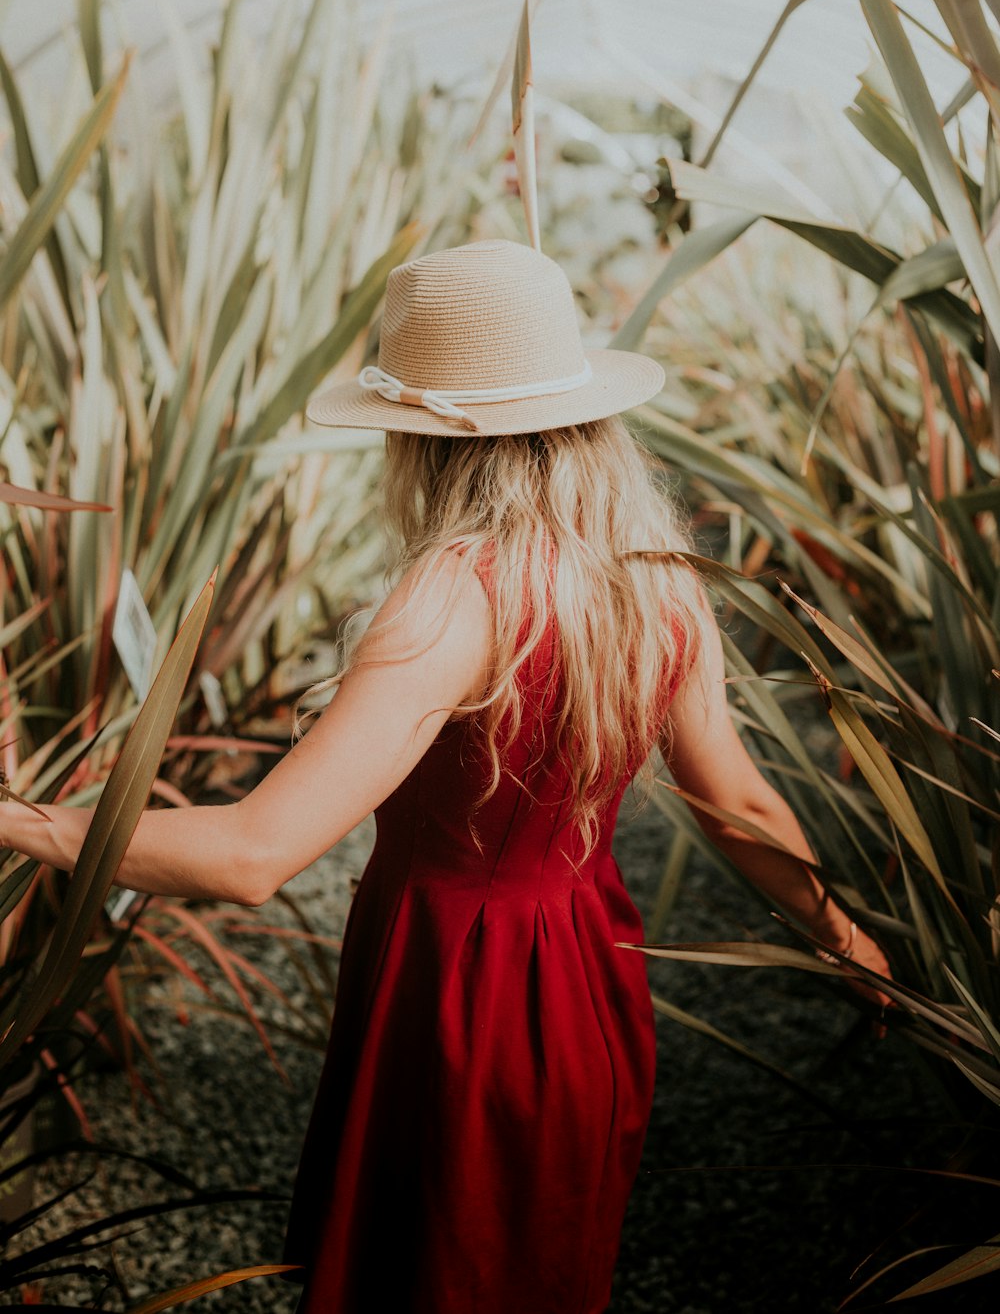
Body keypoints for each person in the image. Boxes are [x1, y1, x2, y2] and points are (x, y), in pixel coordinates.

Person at [3, 238, 894, 1313]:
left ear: (421, 442)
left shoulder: (449, 601)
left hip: (454, 994)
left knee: (430, 1273)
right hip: (588, 983)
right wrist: (851, 944)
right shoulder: (657, 582)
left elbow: (252, 857)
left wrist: (26, 821)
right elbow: (741, 805)